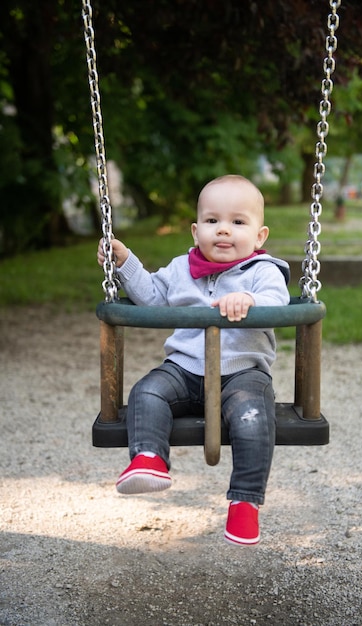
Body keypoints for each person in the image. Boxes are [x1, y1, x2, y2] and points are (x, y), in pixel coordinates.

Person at [97, 174, 290, 546]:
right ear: (195, 230)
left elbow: (276, 300)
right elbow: (152, 296)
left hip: (242, 375)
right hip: (184, 371)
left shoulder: (263, 271)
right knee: (148, 391)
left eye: (238, 222)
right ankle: (149, 459)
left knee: (254, 420)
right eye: (212, 221)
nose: (223, 231)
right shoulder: (181, 268)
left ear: (260, 235)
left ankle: (245, 504)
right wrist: (126, 262)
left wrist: (249, 301)